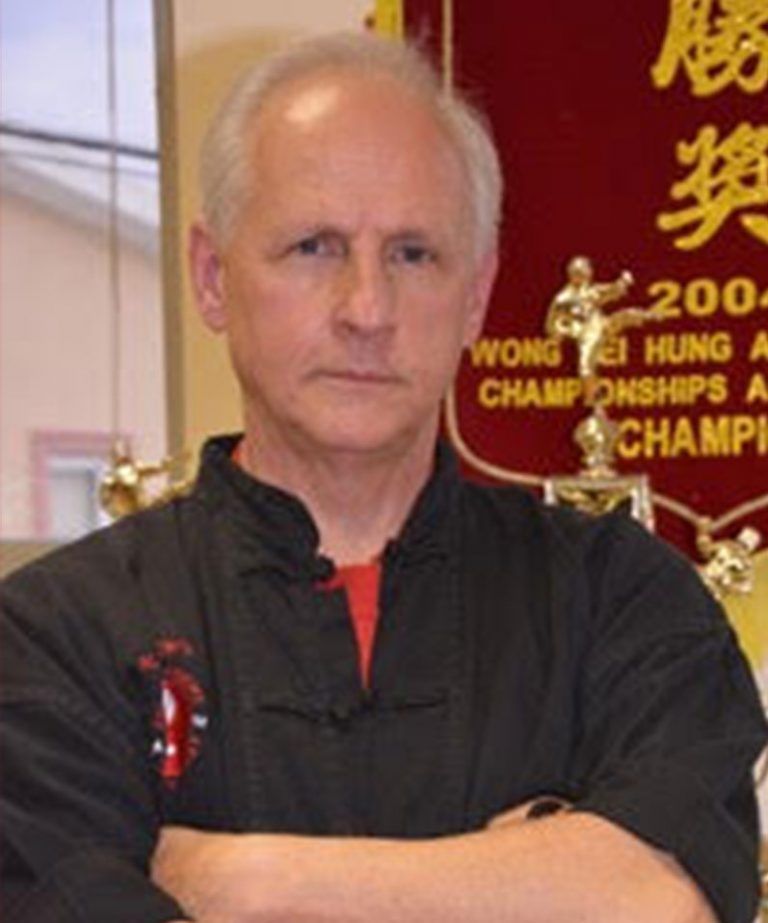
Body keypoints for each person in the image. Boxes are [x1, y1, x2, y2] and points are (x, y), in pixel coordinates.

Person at [1, 31, 765, 923]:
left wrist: (250, 882)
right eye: (314, 247)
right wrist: (525, 876)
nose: (367, 308)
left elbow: (664, 906)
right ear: (212, 278)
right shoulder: (56, 641)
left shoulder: (620, 597)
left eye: (413, 254)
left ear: (476, 295)